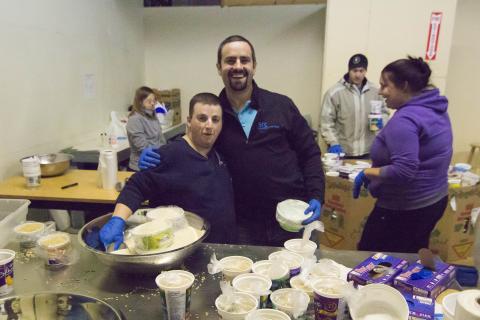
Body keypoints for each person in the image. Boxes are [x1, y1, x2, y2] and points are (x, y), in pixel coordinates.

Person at [140, 35, 325, 246]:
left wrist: (316, 195)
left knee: (299, 277)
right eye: (230, 61)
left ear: (254, 66)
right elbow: (192, 143)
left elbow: (309, 153)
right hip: (243, 225)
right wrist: (158, 153)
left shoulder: (281, 106)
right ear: (219, 67)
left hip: (292, 219)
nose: (238, 66)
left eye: (244, 60)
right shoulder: (215, 115)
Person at [100, 93, 235, 249]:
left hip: (222, 247)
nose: (209, 125)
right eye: (202, 118)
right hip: (188, 250)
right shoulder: (171, 154)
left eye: (215, 120)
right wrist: (118, 219)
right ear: (189, 121)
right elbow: (136, 186)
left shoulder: (216, 152)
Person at [353, 56, 453, 253]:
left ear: (404, 86)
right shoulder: (434, 108)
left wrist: (368, 172)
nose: (381, 92)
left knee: (371, 259)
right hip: (434, 199)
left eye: (385, 86)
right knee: (410, 257)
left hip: (405, 207)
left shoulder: (405, 120)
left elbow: (404, 170)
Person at [320, 54, 389, 158]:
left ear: (366, 71)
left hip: (368, 151)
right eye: (354, 71)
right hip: (342, 151)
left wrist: (381, 121)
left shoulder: (375, 91)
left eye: (361, 71)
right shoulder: (334, 92)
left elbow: (385, 112)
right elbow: (326, 122)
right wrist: (333, 143)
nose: (358, 75)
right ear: (349, 70)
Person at [126, 86, 166, 171]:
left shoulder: (153, 116)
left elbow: (161, 139)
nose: (152, 103)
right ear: (140, 102)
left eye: (154, 100)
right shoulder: (135, 119)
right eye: (149, 101)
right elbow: (142, 147)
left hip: (155, 163)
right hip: (140, 167)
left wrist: (166, 152)